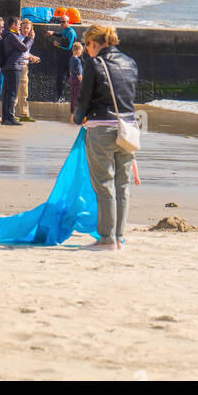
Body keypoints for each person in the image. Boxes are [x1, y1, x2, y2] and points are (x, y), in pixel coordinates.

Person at [74, 25, 138, 250]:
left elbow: (84, 98)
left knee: (104, 184)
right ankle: (119, 237)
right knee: (123, 185)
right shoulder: (130, 62)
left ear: (93, 43)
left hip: (101, 128)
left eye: (88, 47)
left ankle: (106, 239)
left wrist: (77, 118)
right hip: (128, 129)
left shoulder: (94, 63)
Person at [0, 16, 33, 125]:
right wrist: (31, 39)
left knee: (9, 93)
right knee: (12, 93)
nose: (19, 27)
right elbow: (24, 48)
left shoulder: (8, 35)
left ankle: (6, 118)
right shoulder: (12, 35)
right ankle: (10, 117)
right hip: (14, 67)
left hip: (9, 66)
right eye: (18, 24)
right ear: (13, 25)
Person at [13, 18, 41, 122]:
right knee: (16, 91)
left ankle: (24, 114)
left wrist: (33, 57)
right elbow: (17, 53)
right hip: (18, 65)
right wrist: (30, 58)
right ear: (20, 27)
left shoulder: (28, 39)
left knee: (24, 91)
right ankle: (12, 112)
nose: (25, 30)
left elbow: (25, 52)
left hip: (24, 66)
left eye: (27, 28)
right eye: (24, 28)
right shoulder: (19, 38)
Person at [67, 40, 84, 117]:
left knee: (73, 97)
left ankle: (72, 113)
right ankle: (76, 115)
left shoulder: (71, 58)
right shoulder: (78, 60)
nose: (81, 53)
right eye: (80, 51)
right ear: (77, 51)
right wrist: (83, 82)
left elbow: (70, 71)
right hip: (77, 81)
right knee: (77, 97)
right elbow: (79, 74)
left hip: (72, 79)